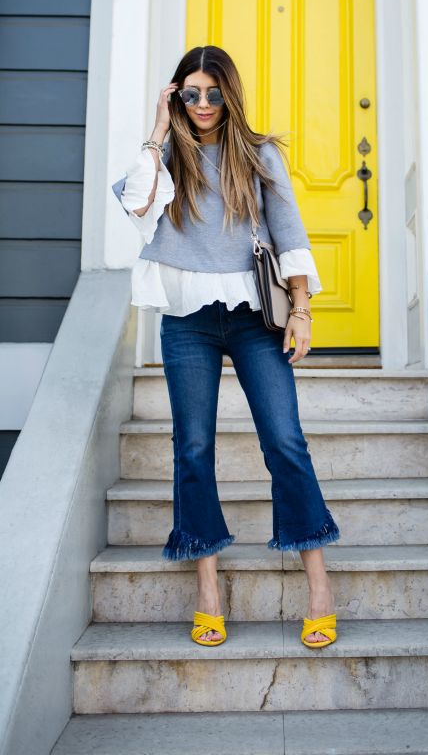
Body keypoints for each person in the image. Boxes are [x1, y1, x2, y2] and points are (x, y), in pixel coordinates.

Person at [113, 45, 338, 649]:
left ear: (229, 93)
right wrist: (157, 131)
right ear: (176, 95)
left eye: (214, 92)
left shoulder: (258, 154)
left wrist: (304, 312)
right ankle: (207, 590)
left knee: (285, 441)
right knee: (193, 446)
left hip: (253, 317)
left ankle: (318, 587)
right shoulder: (163, 158)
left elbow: (288, 230)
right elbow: (137, 206)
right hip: (187, 320)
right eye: (191, 93)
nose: (204, 104)